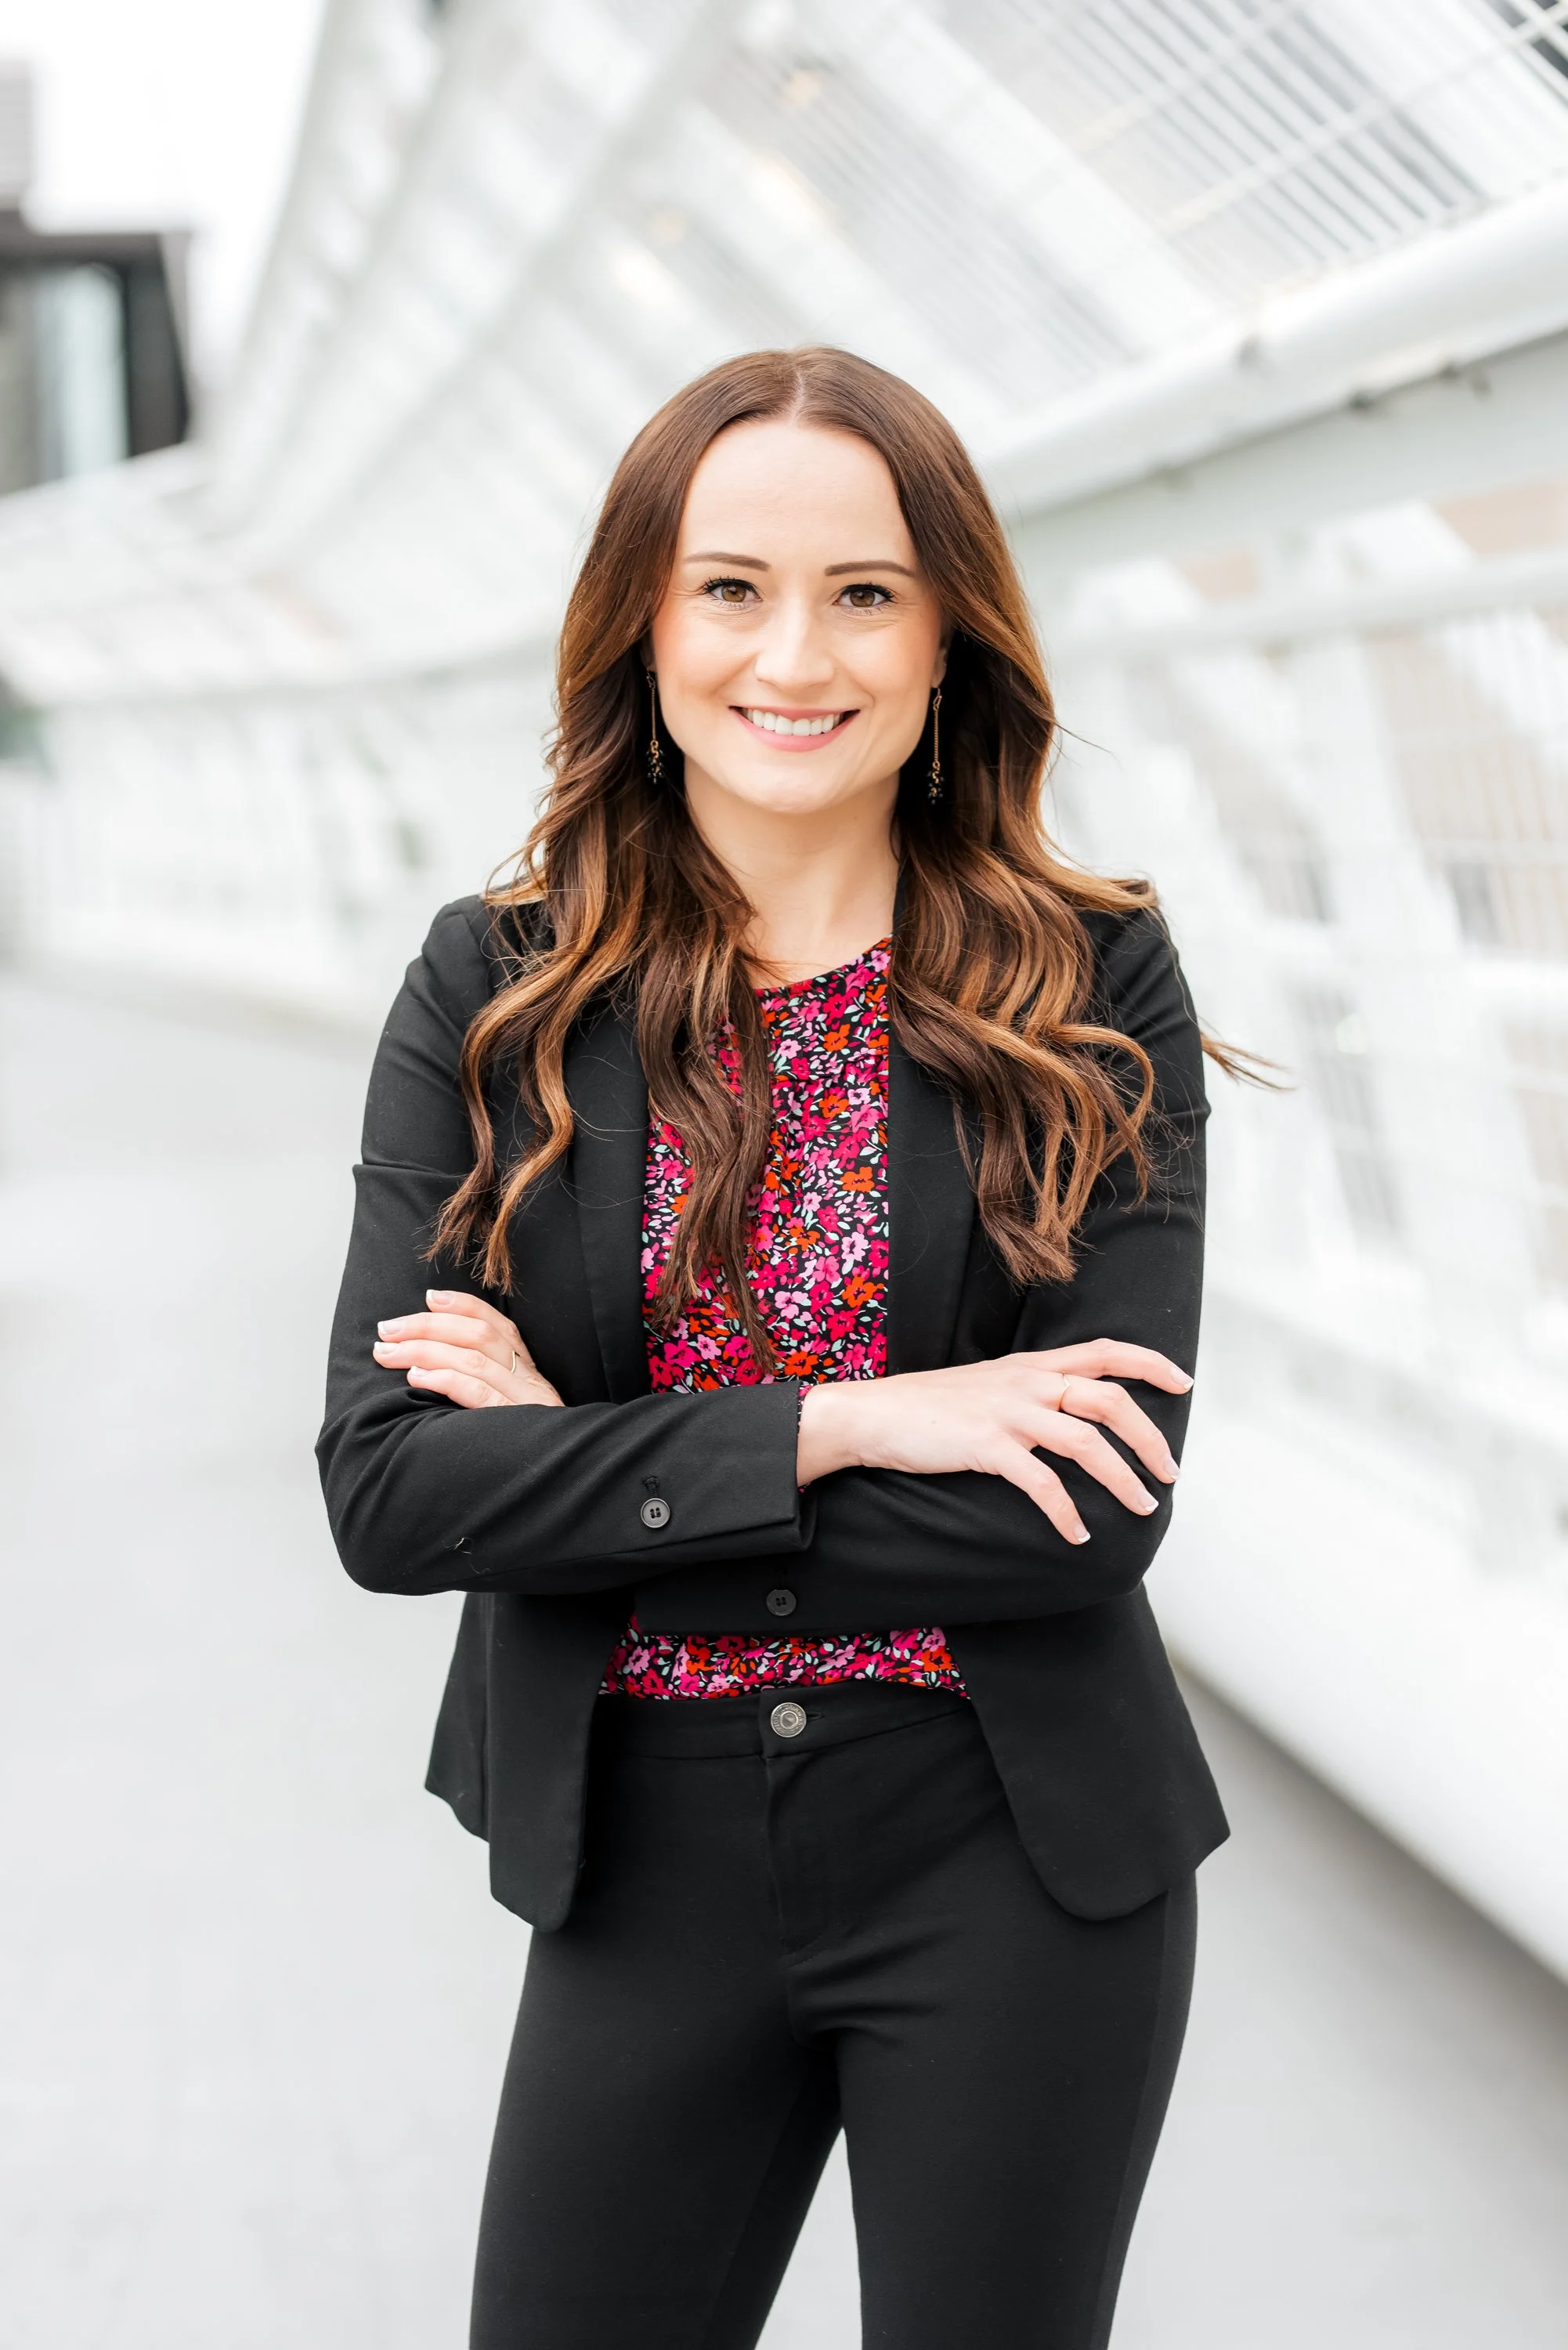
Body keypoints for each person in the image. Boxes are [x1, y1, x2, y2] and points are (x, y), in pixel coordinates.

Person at [318, 345, 1230, 2350]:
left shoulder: (1088, 981)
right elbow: (390, 1490)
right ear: (641, 623)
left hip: (1008, 1844)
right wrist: (848, 1424)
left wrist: (598, 1466)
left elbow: (1079, 1522)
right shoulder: (496, 991)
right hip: (637, 1851)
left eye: (864, 591)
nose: (790, 653)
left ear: (943, 638)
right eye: (729, 586)